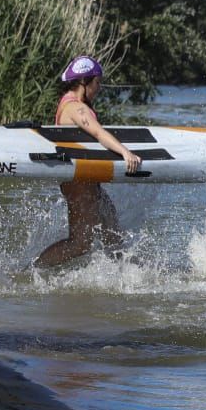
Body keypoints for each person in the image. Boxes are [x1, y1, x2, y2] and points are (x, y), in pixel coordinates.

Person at [35, 56, 142, 268]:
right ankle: (33, 271)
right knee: (79, 244)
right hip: (78, 181)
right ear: (84, 82)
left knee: (113, 234)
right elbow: (98, 133)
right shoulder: (76, 108)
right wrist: (125, 152)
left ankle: (127, 276)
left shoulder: (71, 104)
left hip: (86, 179)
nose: (99, 88)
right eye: (97, 83)